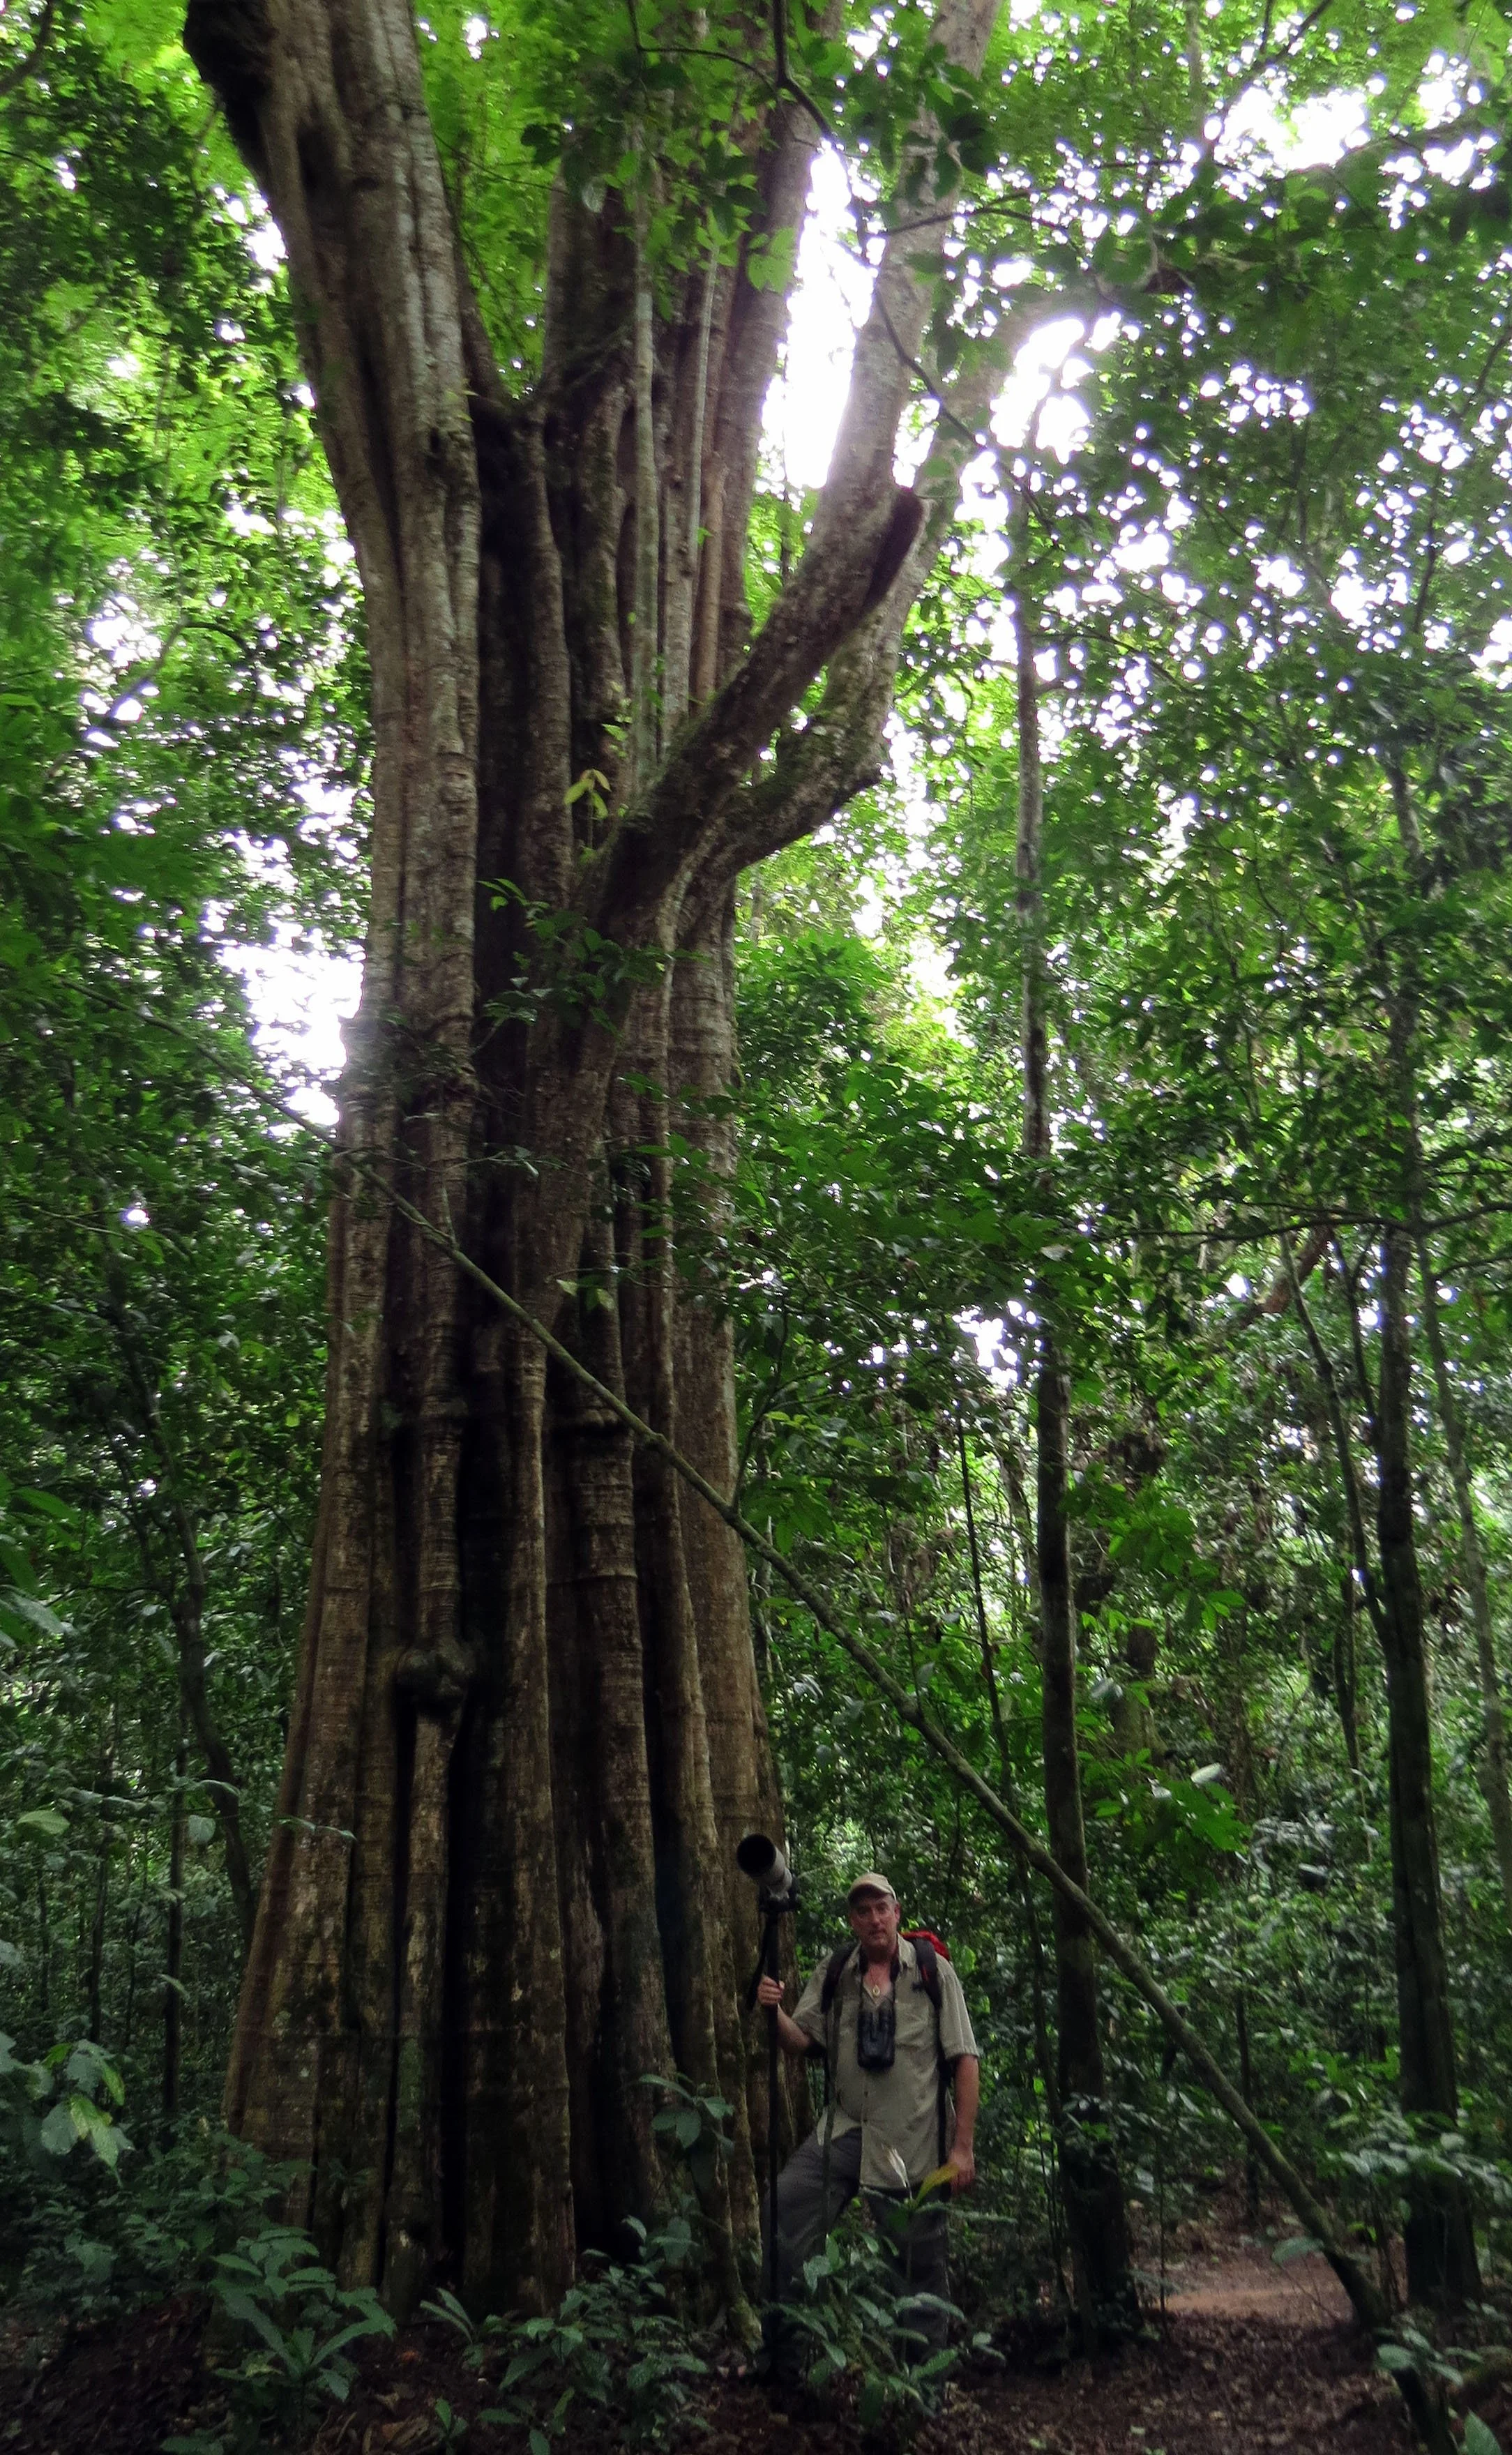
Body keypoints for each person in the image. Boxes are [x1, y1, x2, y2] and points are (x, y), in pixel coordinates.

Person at [753, 1872, 981, 2365]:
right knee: (783, 2212)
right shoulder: (836, 1970)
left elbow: (965, 2059)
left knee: (917, 2272)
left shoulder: (931, 1972)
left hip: (913, 2144)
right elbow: (803, 2043)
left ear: (897, 1913)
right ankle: (784, 2361)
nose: (874, 1919)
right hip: (845, 2132)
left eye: (882, 1908)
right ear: (853, 1921)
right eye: (863, 1911)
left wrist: (962, 2148)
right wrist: (773, 2013)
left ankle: (921, 2390)